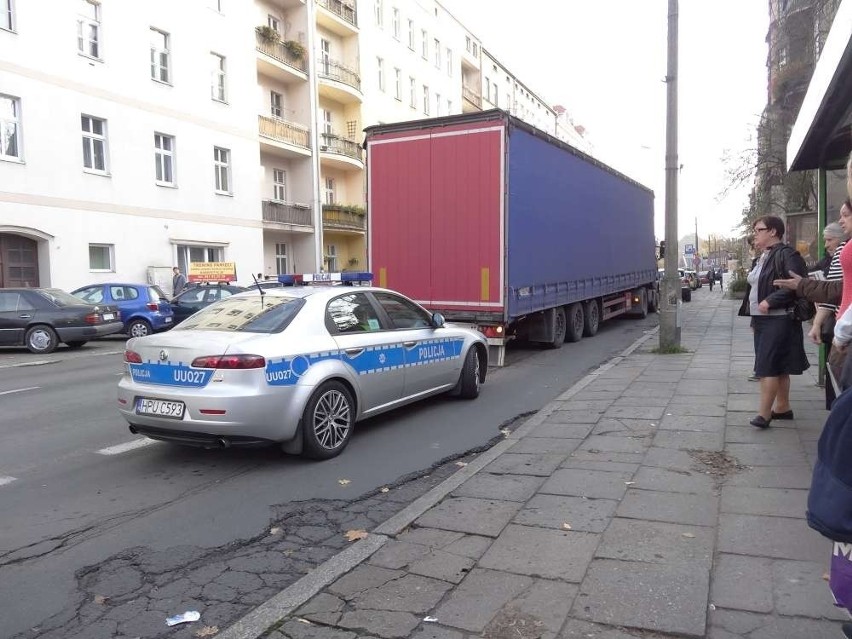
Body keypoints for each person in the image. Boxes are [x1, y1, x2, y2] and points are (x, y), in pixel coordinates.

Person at [738, 215, 809, 428]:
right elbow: (754, 289)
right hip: (763, 319)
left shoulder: (787, 254)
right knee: (779, 366)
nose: (755, 234)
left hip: (778, 318)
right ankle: (782, 407)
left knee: (766, 367)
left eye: (759, 230)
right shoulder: (762, 257)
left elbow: (797, 284)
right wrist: (753, 317)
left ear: (773, 232)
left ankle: (764, 414)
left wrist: (770, 300)